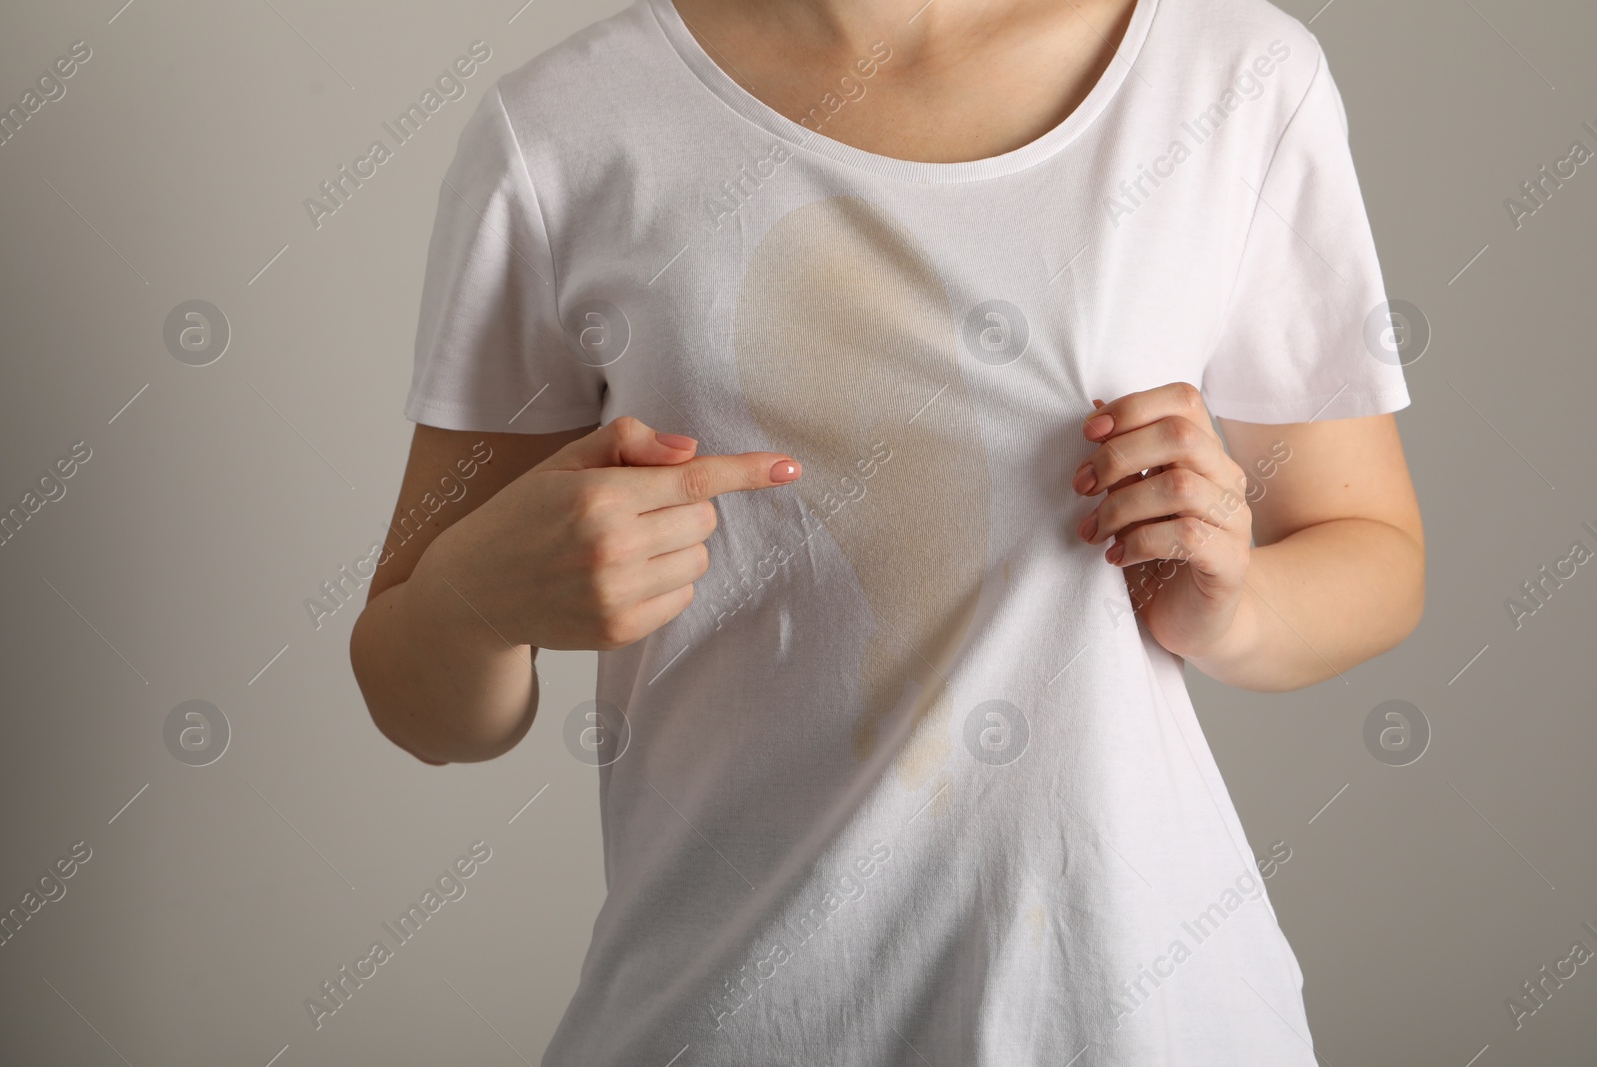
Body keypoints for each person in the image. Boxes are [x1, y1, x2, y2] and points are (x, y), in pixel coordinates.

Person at [349, 0, 1425, 1061]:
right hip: (726, 1017)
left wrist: (1230, 606)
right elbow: (417, 694)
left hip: (1139, 1011)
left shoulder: (1233, 75)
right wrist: (476, 601)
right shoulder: (563, 129)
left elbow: (1373, 550)